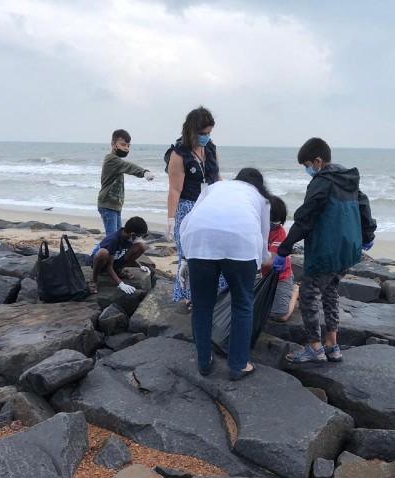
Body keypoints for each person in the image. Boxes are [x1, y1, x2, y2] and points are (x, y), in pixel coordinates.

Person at [272, 138, 377, 364]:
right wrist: (368, 236)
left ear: (318, 161)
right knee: (330, 293)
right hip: (347, 250)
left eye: (307, 165)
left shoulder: (322, 181)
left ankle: (314, 347)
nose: (308, 170)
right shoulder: (348, 179)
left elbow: (305, 218)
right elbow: (364, 207)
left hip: (326, 250)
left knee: (309, 294)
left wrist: (284, 248)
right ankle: (332, 344)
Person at [180, 168, 272, 381]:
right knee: (242, 304)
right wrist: (261, 260)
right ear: (259, 185)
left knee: (202, 305)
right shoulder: (261, 199)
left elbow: (189, 219)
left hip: (198, 239)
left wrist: (187, 255)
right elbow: (263, 237)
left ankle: (204, 362)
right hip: (242, 243)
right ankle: (239, 365)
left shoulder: (215, 187)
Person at [166, 107, 223, 305]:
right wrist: (171, 220)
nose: (206, 137)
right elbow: (174, 190)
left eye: (209, 133)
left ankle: (216, 294)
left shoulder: (210, 148)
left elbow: (217, 176)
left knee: (215, 253)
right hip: (188, 208)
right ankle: (189, 299)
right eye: (202, 133)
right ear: (191, 130)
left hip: (210, 206)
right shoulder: (179, 153)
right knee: (190, 256)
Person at [97, 129, 155, 237]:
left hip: (115, 206)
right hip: (107, 205)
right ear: (113, 144)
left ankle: (102, 253)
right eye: (123, 144)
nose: (126, 148)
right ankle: (95, 254)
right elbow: (129, 166)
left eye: (128, 145)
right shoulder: (111, 159)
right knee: (112, 239)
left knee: (118, 237)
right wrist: (144, 172)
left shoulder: (117, 162)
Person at [90, 216, 150, 295]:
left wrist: (140, 266)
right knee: (103, 253)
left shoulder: (129, 238)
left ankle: (119, 270)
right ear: (133, 234)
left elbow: (126, 253)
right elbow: (109, 266)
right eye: (142, 236)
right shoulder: (114, 240)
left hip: (115, 260)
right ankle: (94, 281)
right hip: (102, 264)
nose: (142, 238)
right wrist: (121, 284)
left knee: (142, 246)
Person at [263, 195, 299, 322]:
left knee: (280, 315)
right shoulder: (259, 228)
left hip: (281, 277)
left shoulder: (279, 233)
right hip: (264, 277)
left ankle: (295, 290)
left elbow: (269, 262)